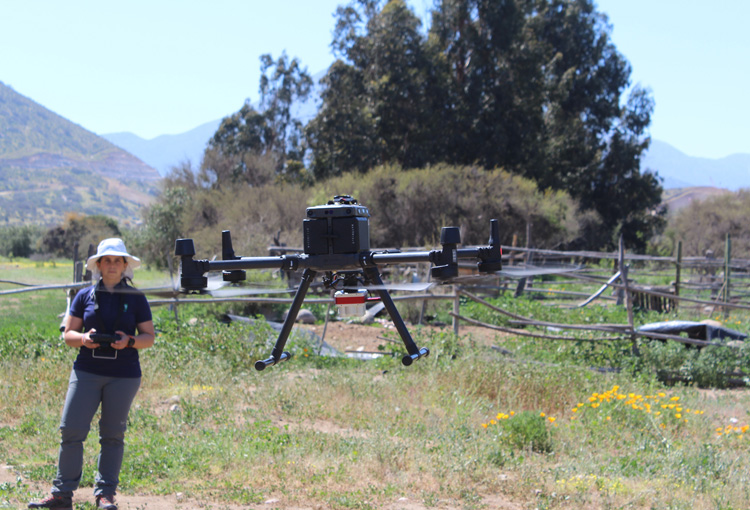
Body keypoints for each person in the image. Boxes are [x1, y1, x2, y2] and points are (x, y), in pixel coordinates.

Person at [29, 238, 155, 510]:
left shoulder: (136, 298)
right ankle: (61, 495)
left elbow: (149, 337)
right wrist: (84, 338)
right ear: (98, 265)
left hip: (123, 374)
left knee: (112, 435)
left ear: (124, 266)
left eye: (117, 260)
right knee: (71, 430)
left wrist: (129, 341)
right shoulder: (84, 295)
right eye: (106, 260)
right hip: (87, 370)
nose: (111, 265)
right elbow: (68, 335)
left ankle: (105, 495)